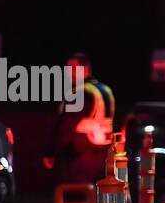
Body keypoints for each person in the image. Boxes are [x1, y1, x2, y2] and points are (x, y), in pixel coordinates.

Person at [45, 52, 114, 185]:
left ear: (86, 69)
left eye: (73, 68)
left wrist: (51, 152)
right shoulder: (105, 90)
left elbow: (66, 126)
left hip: (79, 158)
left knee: (76, 200)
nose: (69, 73)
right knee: (96, 198)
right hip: (103, 156)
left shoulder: (80, 93)